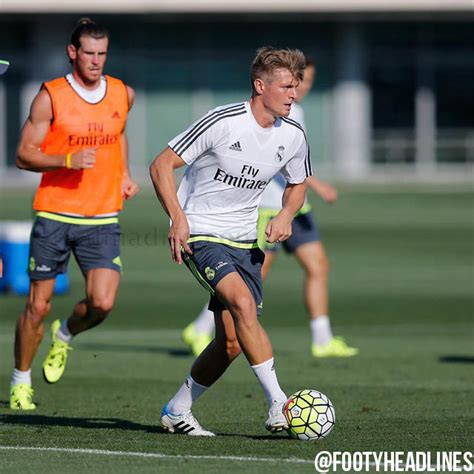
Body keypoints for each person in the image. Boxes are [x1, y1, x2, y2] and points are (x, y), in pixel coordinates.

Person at [150, 47, 310, 436]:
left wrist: (287, 213)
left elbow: (298, 183)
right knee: (242, 304)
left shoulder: (293, 135)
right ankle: (279, 405)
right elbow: (161, 165)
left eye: (296, 86)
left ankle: (177, 409)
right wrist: (177, 218)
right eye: (286, 86)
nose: (293, 93)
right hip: (202, 233)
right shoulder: (223, 121)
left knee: (231, 344)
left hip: (244, 240)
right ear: (261, 86)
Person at [183, 59, 358, 358]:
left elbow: (294, 163)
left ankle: (322, 338)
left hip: (293, 208)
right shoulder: (257, 116)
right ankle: (201, 327)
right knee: (247, 282)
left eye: (305, 82)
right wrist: (320, 186)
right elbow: (271, 161)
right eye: (295, 82)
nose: (300, 88)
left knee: (318, 266)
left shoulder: (294, 113)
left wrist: (300, 198)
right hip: (265, 209)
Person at [9, 18, 139, 410]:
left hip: (102, 217)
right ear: (73, 53)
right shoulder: (49, 97)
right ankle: (20, 380)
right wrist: (66, 159)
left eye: (102, 54)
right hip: (55, 214)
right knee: (37, 305)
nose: (96, 61)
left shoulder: (123, 93)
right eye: (89, 53)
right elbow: (22, 154)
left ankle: (64, 334)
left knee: (102, 304)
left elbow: (118, 136)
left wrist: (125, 175)